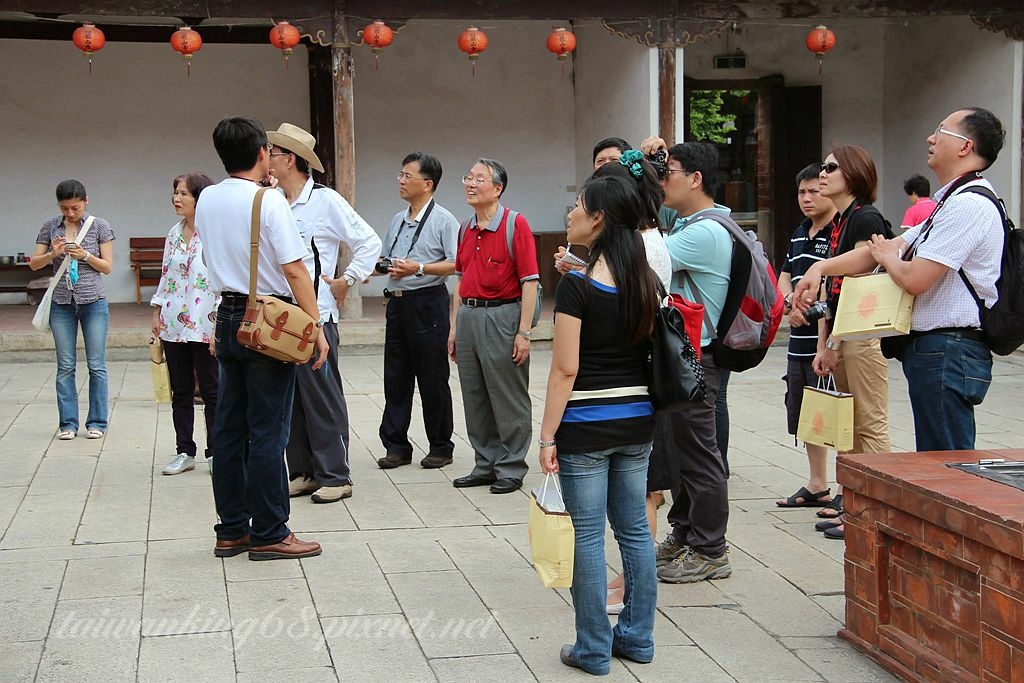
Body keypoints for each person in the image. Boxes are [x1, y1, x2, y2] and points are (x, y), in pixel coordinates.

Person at [795, 107, 1005, 454]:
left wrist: (889, 259)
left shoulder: (969, 205)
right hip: (934, 348)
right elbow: (886, 247)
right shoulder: (948, 202)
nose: (931, 138)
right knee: (934, 455)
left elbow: (915, 277)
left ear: (966, 146)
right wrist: (820, 269)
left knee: (944, 462)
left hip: (949, 347)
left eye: (941, 131)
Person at [539, 173, 660, 676]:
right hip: (637, 422)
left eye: (579, 206)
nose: (570, 215)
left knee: (587, 536)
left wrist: (546, 435)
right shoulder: (645, 281)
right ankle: (637, 638)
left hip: (586, 425)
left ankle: (592, 647)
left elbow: (565, 369)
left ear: (599, 219)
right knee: (634, 530)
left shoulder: (577, 287)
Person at [196, 116, 328, 561]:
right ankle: (271, 530)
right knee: (269, 431)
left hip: (227, 316)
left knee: (229, 431)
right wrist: (315, 327)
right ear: (260, 155)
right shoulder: (268, 202)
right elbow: (294, 269)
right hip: (267, 319)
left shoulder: (207, 198)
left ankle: (231, 530)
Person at [266, 123, 381, 505]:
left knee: (322, 397)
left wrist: (347, 279)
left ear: (291, 160)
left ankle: (336, 474)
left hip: (316, 318)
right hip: (279, 317)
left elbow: (369, 241)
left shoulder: (325, 201)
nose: (268, 158)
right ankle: (302, 471)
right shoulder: (272, 200)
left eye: (274, 152)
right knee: (291, 398)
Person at [649, 142, 733, 583]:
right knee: (683, 453)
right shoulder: (691, 224)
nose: (663, 180)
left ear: (695, 178)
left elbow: (647, 258)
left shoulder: (705, 232)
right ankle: (686, 534)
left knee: (700, 455)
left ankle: (711, 549)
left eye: (670, 173)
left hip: (699, 359)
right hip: (686, 356)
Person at [801, 144, 894, 539]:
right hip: (844, 336)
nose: (823, 174)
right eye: (823, 167)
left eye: (831, 168)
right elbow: (834, 294)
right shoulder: (842, 221)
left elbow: (863, 262)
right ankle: (854, 507)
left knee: (869, 425)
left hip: (864, 336)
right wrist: (825, 343)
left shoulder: (865, 217)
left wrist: (820, 266)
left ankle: (875, 510)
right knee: (849, 427)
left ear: (853, 173)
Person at [448, 159, 540, 494]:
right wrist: (454, 328)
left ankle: (512, 467)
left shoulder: (516, 225)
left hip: (503, 315)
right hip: (469, 317)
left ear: (497, 188)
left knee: (507, 394)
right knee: (475, 395)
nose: (470, 184)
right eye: (468, 177)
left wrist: (524, 332)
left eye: (479, 179)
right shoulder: (464, 228)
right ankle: (485, 463)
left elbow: (530, 283)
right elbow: (460, 280)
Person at [374, 152, 460, 471]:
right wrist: (380, 267)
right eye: (400, 174)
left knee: (432, 377)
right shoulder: (398, 219)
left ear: (428, 183)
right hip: (397, 303)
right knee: (395, 377)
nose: (401, 180)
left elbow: (456, 263)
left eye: (407, 175)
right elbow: (386, 259)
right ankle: (396, 445)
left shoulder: (444, 220)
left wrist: (419, 267)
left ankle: (440, 445)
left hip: (428, 303)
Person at [31, 180, 115, 441]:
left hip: (93, 302)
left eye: (75, 208)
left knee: (96, 365)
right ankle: (68, 423)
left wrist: (85, 256)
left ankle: (97, 422)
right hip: (61, 303)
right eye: (65, 208)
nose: (70, 213)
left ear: (85, 201)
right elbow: (34, 264)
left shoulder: (100, 225)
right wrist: (52, 254)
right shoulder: (49, 226)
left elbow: (107, 267)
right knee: (65, 365)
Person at [775, 165, 836, 509]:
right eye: (802, 192)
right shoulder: (800, 232)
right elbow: (785, 275)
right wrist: (788, 304)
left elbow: (839, 286)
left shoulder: (837, 234)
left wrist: (808, 312)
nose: (808, 198)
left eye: (815, 190)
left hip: (825, 341)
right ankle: (817, 483)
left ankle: (845, 487)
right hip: (798, 343)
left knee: (834, 412)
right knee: (807, 412)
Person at [152, 172, 219, 475]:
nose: (176, 199)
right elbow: (166, 275)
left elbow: (223, 277)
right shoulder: (173, 233)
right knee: (180, 390)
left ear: (199, 198)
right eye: (175, 193)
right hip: (173, 322)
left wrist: (221, 319)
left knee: (212, 389)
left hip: (206, 322)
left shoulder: (215, 232)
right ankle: (184, 450)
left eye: (183, 194)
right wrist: (156, 311)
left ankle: (216, 451)